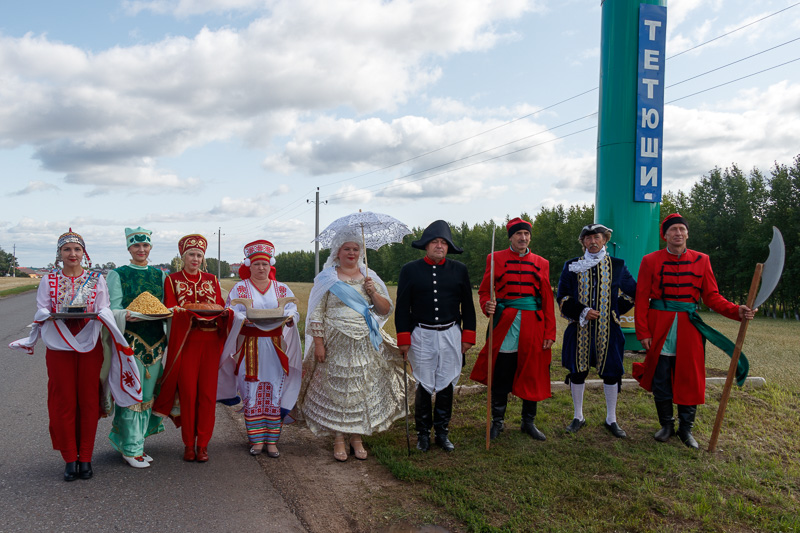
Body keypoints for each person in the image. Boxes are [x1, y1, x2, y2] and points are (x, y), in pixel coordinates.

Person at [8, 229, 140, 481]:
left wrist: (101, 317)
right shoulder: (49, 280)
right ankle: (70, 458)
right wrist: (47, 316)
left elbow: (103, 308)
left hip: (89, 343)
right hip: (59, 346)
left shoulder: (95, 279)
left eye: (77, 249)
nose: (72, 254)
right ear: (59, 254)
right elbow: (43, 309)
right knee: (64, 400)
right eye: (67, 249)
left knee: (89, 400)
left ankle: (86, 457)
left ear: (84, 253)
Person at [633, 214, 756, 449]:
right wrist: (643, 333)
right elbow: (641, 299)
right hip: (659, 326)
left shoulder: (702, 260)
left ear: (687, 234)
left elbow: (712, 296)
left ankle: (686, 429)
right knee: (661, 377)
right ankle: (666, 425)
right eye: (673, 230)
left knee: (689, 377)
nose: (678, 233)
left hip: (689, 328)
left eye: (682, 229)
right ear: (665, 235)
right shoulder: (650, 260)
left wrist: (736, 311)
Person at [299, 231, 406, 462]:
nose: (351, 253)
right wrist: (318, 343)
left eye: (355, 249)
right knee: (339, 386)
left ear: (360, 253)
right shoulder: (327, 278)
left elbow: (384, 310)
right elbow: (317, 313)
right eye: (347, 249)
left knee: (359, 387)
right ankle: (338, 437)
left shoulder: (370, 277)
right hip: (334, 343)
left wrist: (372, 292)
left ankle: (356, 437)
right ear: (338, 252)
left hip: (363, 342)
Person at [470, 217, 556, 441]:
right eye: (519, 234)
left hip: (533, 325)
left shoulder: (542, 262)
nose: (523, 238)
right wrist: (487, 304)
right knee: (501, 372)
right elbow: (485, 291)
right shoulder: (494, 258)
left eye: (526, 234)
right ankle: (497, 422)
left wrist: (550, 333)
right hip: (505, 322)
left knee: (532, 372)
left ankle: (528, 422)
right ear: (511, 237)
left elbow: (547, 299)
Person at [395, 220, 476, 452]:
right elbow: (402, 308)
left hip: (451, 333)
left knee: (446, 383)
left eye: (443, 242)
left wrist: (468, 336)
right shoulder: (409, 270)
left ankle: (442, 432)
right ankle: (422, 434)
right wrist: (404, 339)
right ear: (426, 246)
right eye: (435, 242)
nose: (439, 246)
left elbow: (468, 307)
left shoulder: (459, 270)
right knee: (423, 383)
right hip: (421, 334)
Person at [153, 234, 231, 462]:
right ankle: (188, 443)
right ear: (183, 257)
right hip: (187, 342)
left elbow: (220, 306)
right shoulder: (172, 279)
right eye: (191, 255)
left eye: (199, 255)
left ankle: (204, 444)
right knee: (188, 393)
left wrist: (226, 314)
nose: (195, 259)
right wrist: (183, 311)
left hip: (210, 342)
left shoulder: (211, 279)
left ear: (203, 258)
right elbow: (169, 307)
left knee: (207, 395)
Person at [556, 223, 637, 438]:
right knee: (577, 371)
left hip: (607, 329)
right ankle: (578, 416)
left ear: (605, 240)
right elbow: (562, 297)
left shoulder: (617, 265)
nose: (593, 241)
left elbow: (633, 293)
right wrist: (581, 311)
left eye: (597, 237)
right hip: (578, 328)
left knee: (611, 372)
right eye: (588, 238)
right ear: (583, 242)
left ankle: (611, 418)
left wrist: (612, 310)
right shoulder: (571, 265)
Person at [222, 240, 301, 458]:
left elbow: (293, 309)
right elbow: (231, 310)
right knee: (252, 391)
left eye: (264, 264)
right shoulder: (241, 287)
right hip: (250, 348)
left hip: (275, 347)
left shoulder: (281, 288)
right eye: (256, 264)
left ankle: (272, 440)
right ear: (249, 265)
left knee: (274, 390)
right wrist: (240, 319)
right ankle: (256, 440)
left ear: (270, 265)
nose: (261, 268)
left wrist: (289, 318)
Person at [105, 227, 167, 468]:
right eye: (136, 246)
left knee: (148, 396)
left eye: (145, 246)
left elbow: (163, 307)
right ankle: (130, 448)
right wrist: (126, 315)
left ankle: (137, 443)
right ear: (129, 248)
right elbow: (113, 309)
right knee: (132, 393)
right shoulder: (118, 274)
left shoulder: (159, 275)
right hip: (130, 342)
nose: (141, 250)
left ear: (150, 247)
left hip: (156, 342)